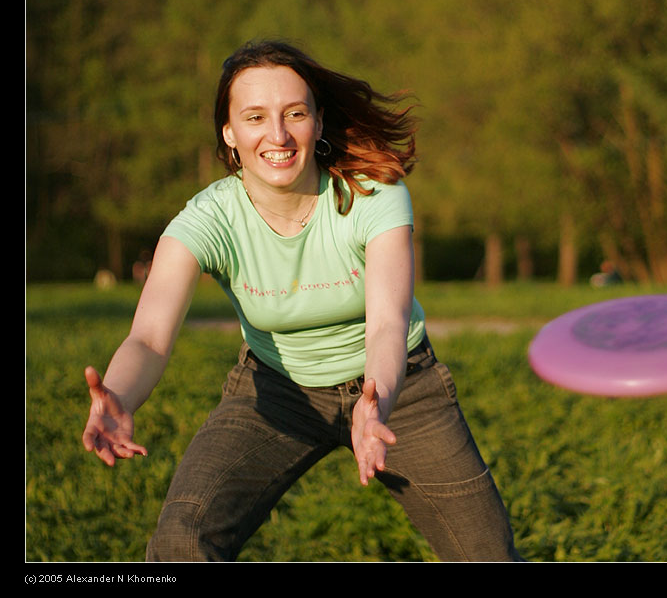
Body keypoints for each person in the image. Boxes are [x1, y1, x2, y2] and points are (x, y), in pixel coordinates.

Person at [81, 40, 522, 562]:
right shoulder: (207, 220)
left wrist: (375, 398)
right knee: (183, 540)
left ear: (317, 122)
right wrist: (120, 396)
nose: (278, 135)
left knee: (487, 555)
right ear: (229, 133)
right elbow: (149, 337)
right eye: (255, 117)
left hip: (397, 386)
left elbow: (386, 323)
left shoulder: (372, 193)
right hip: (276, 389)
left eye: (294, 113)